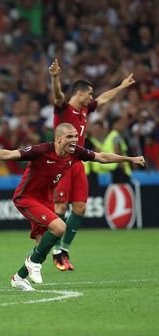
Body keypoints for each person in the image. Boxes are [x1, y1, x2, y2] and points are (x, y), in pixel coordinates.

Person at [0, 123, 145, 291]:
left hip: (46, 199)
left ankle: (19, 277)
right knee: (59, 227)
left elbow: (102, 157)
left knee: (43, 244)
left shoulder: (76, 152)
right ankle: (32, 263)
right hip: (26, 197)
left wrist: (129, 159)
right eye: (69, 137)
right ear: (58, 139)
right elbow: (8, 154)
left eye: (75, 136)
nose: (74, 140)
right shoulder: (41, 150)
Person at [48, 59, 135, 270]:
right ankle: (56, 250)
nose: (91, 97)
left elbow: (104, 98)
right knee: (59, 207)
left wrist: (122, 86)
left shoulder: (86, 110)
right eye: (89, 93)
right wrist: (55, 77)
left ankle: (65, 250)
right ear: (79, 93)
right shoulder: (63, 108)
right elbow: (58, 95)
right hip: (60, 164)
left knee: (80, 207)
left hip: (78, 163)